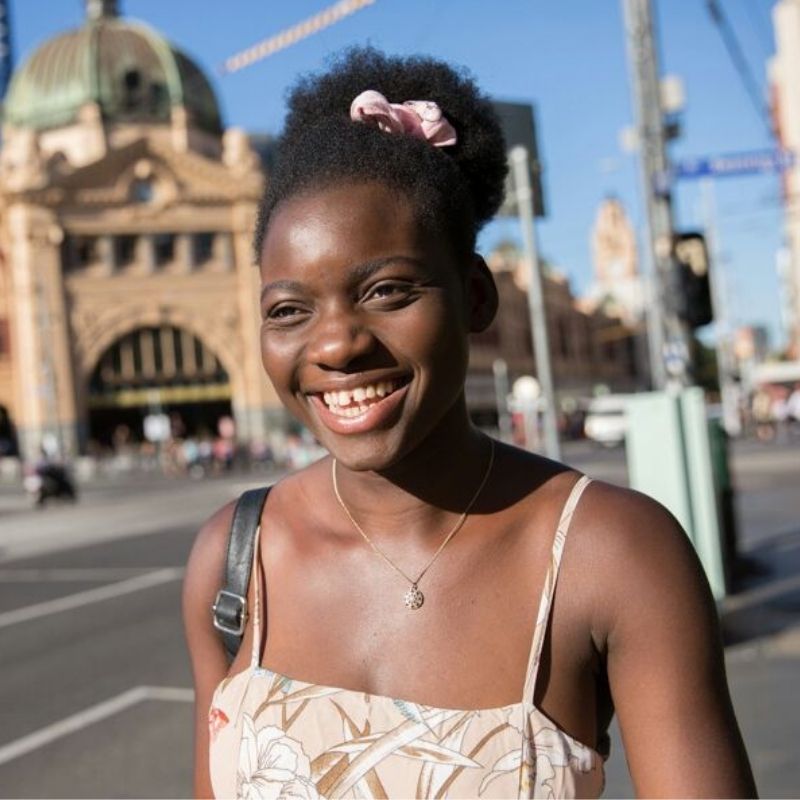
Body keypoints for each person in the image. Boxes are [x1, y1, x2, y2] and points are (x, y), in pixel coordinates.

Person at [183, 49, 755, 799]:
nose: (335, 345)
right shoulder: (233, 561)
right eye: (289, 310)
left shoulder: (611, 555)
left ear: (475, 296)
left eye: (387, 290)